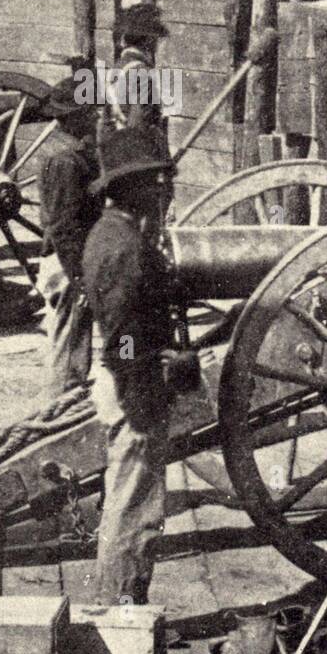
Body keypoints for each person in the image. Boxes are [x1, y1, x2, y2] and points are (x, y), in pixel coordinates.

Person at [81, 128, 201, 604]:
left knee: (129, 504)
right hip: (132, 388)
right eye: (156, 181)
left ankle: (120, 607)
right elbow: (125, 340)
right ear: (136, 187)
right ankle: (119, 612)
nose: (163, 190)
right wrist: (147, 390)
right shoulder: (125, 249)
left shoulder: (113, 234)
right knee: (135, 513)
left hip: (124, 378)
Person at [37, 76, 100, 399]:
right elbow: (64, 225)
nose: (95, 116)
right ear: (75, 116)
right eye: (89, 112)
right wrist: (79, 274)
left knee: (71, 340)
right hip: (67, 262)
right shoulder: (66, 160)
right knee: (67, 345)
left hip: (65, 258)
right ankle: (56, 411)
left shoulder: (63, 150)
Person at [101, 2, 171, 160]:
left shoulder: (117, 68)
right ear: (149, 42)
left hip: (115, 153)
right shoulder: (141, 72)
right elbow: (139, 125)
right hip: (136, 157)